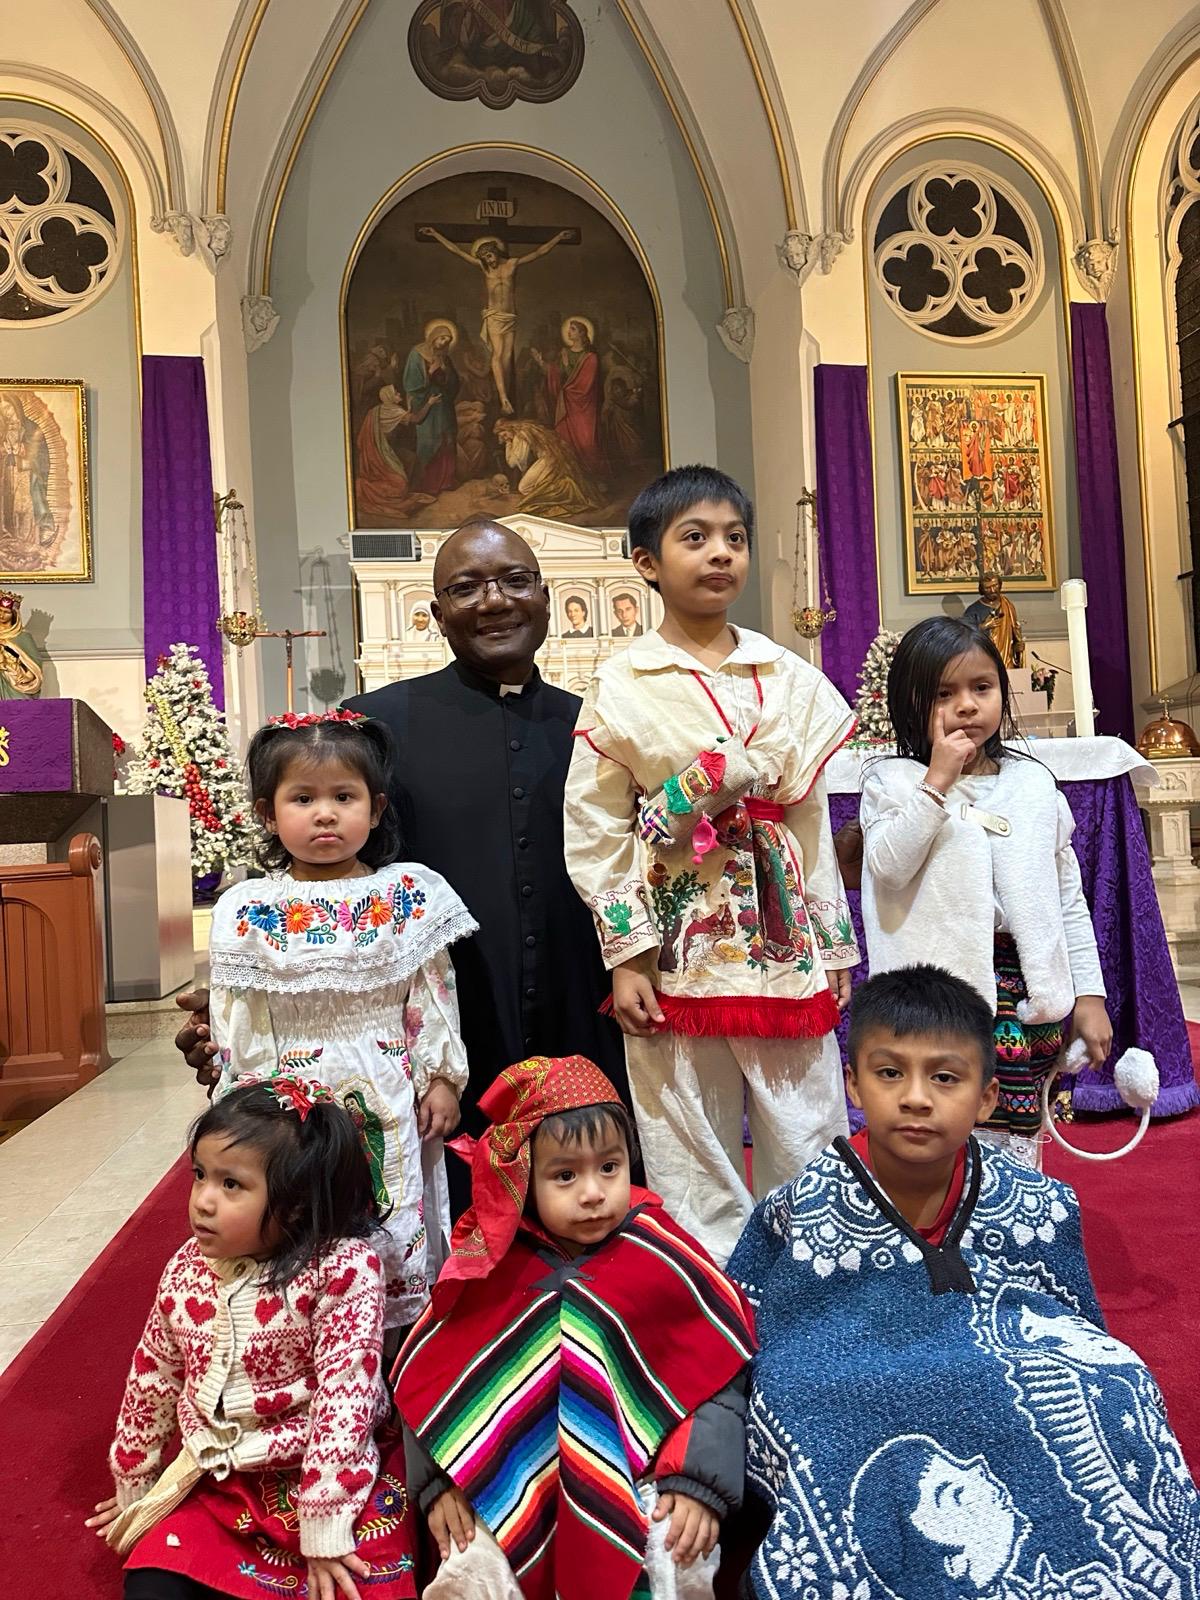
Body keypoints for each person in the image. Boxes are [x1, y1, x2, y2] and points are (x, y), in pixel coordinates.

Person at [177, 518, 630, 1215]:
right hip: (427, 1030)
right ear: (437, 613)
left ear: (545, 597)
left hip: (579, 1006)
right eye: (467, 587)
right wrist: (253, 988)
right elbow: (324, 882)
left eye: (515, 581)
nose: (494, 600)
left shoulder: (596, 727)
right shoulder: (374, 726)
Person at [728, 966, 1200, 1600]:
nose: (916, 1098)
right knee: (815, 1406)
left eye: (945, 1077)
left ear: (986, 1096)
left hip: (1002, 1383)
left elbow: (1082, 1335)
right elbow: (752, 1340)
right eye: (889, 1072)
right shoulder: (800, 1209)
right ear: (854, 1083)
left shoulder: (1040, 1205)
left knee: (1120, 1375)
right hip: (853, 1393)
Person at [564, 465, 858, 1264]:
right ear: (647, 563)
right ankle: (713, 1280)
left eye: (735, 537)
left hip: (780, 935)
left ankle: (812, 1271)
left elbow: (808, 819)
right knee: (688, 1129)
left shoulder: (787, 676)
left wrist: (832, 944)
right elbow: (596, 827)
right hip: (677, 935)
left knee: (805, 1116)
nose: (721, 553)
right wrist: (628, 954)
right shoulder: (623, 682)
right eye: (695, 538)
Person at [393, 1054, 756, 1600]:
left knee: (683, 1557)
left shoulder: (662, 1255)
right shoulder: (489, 1269)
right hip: (508, 1478)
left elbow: (716, 1374)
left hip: (644, 1476)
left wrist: (696, 1481)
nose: (592, 1192)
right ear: (522, 1178)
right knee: (469, 1572)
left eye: (609, 1167)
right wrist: (439, 1483)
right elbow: (431, 1378)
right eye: (565, 1175)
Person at [86, 1074, 419, 1600]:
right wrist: (136, 1481)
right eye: (200, 1175)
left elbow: (345, 1397)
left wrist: (325, 1525)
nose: (203, 1201)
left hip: (328, 1471)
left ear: (296, 1204)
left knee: (358, 1583)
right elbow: (153, 1373)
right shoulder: (186, 1268)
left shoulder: (343, 1269)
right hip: (222, 1478)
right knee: (152, 1585)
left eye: (231, 1185)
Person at [206, 709, 475, 1331]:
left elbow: (432, 994)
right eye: (303, 798)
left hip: (386, 1084)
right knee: (294, 1207)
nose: (324, 814)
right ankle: (297, 1333)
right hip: (286, 1093)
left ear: (375, 809)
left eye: (343, 797)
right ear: (268, 813)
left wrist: (440, 1078)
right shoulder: (249, 907)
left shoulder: (407, 896)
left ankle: (391, 1336)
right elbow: (238, 1012)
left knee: (391, 1205)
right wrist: (243, 1092)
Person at [859, 615, 1111, 1165]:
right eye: (943, 694)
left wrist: (1089, 995)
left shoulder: (1032, 782)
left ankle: (1011, 1207)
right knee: (940, 1129)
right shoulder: (892, 781)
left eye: (982, 687)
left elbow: (1067, 898)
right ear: (908, 701)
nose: (967, 706)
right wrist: (936, 782)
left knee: (1016, 1133)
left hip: (1023, 989)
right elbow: (889, 867)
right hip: (936, 994)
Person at [417, 230, 574, 416]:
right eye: (485, 258)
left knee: (507, 358)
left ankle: (505, 394)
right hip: (494, 316)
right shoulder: (485, 268)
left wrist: (558, 237)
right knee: (497, 354)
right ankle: (504, 398)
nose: (488, 260)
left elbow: (539, 252)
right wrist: (435, 234)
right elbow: (457, 251)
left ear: (496, 252)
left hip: (510, 316)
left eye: (489, 256)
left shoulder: (511, 264)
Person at [354, 382, 439, 524]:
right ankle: (362, 486)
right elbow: (416, 419)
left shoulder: (377, 410)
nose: (399, 394)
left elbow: (404, 416)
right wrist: (429, 403)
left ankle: (400, 488)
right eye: (396, 393)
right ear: (389, 396)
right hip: (380, 453)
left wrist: (409, 406)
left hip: (383, 449)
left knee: (410, 460)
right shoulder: (392, 411)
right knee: (400, 484)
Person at [532, 315, 604, 476]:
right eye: (569, 329)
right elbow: (555, 375)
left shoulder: (591, 358)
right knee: (565, 440)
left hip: (584, 407)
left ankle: (591, 475)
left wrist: (566, 365)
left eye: (573, 329)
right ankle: (569, 475)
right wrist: (541, 362)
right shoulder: (564, 353)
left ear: (582, 333)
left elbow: (584, 385)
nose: (569, 332)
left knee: (586, 440)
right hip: (566, 406)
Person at [404, 321, 461, 495]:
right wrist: (430, 373)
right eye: (442, 338)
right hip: (426, 405)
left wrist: (446, 372)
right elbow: (411, 384)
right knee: (429, 442)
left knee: (447, 439)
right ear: (433, 336)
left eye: (448, 340)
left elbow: (455, 383)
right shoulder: (417, 354)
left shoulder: (445, 358)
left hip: (444, 405)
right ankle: (427, 483)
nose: (444, 343)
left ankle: (446, 480)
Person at [963, 569, 1025, 667]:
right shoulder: (973, 610)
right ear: (982, 589)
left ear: (1000, 585)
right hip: (985, 661)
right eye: (988, 588)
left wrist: (1017, 648)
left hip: (1007, 660)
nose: (992, 590)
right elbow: (964, 637)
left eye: (995, 585)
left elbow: (1014, 634)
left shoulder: (1008, 606)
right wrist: (983, 626)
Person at [0, 587, 43, 698]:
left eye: (6, 612)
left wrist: (28, 676)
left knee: (17, 707)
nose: (2, 615)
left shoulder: (23, 637)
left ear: (14, 614)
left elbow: (34, 662)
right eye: (0, 611)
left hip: (14, 680)